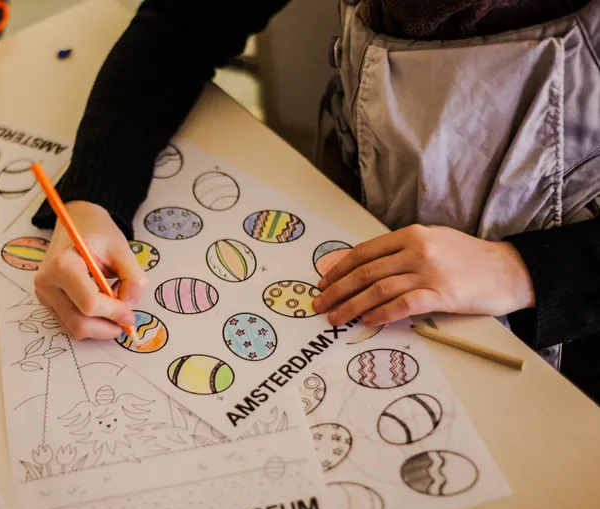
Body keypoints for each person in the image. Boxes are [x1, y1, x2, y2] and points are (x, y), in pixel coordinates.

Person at [30, 0, 600, 402]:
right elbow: (185, 22)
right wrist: (93, 198)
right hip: (355, 227)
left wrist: (525, 270)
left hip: (566, 328)